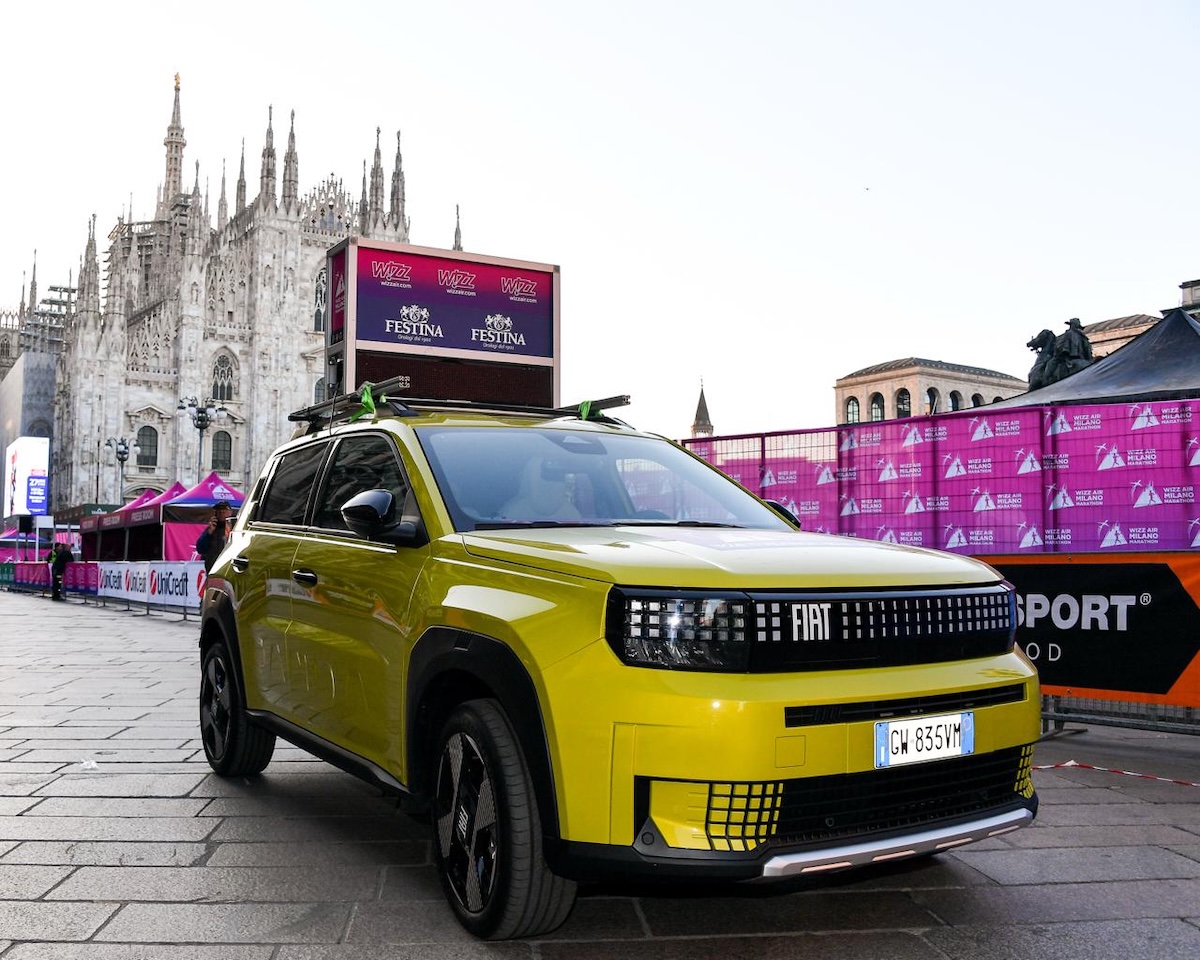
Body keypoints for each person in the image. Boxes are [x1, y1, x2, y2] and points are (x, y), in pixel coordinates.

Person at [196, 499, 233, 573]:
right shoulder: (211, 529)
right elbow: (200, 549)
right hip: (213, 570)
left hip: (229, 569)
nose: (221, 512)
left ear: (230, 512)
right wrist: (209, 532)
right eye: (219, 510)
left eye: (224, 510)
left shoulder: (236, 528)